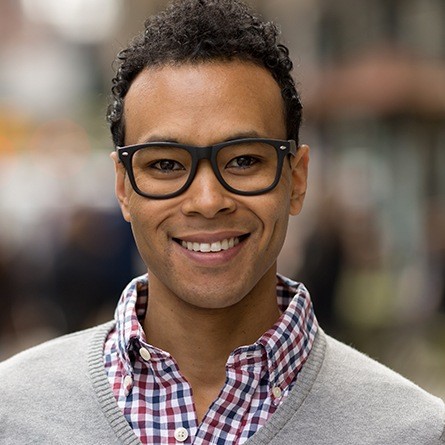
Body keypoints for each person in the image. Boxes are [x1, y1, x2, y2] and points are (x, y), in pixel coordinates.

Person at [1, 1, 444, 444]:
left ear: (296, 179)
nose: (208, 201)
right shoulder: (14, 412)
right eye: (167, 165)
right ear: (123, 186)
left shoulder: (413, 432)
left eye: (244, 160)